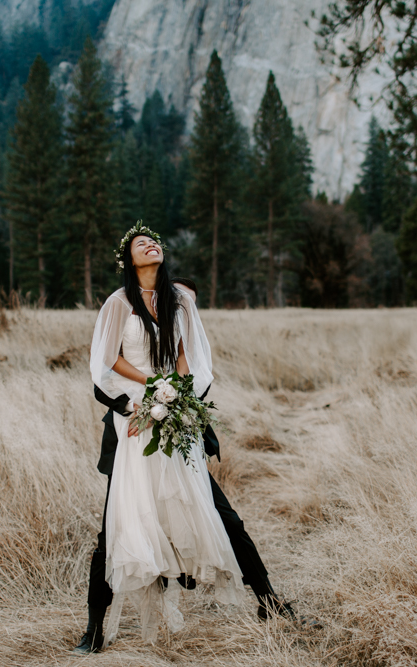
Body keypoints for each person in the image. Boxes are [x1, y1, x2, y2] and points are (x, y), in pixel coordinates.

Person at [74, 222, 302, 655]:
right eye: (141, 243)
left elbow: (190, 361)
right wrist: (142, 399)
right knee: (114, 529)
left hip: (178, 423)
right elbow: (103, 370)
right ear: (128, 259)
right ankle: (93, 628)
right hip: (134, 427)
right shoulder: (118, 304)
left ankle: (269, 602)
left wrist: (176, 400)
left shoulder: (178, 305)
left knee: (225, 518)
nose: (151, 244)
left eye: (155, 240)